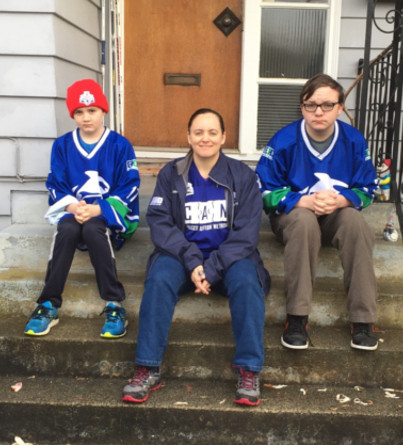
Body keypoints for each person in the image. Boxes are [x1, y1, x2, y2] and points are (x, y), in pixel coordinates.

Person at [122, 108, 270, 406]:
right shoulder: (171, 173)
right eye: (199, 132)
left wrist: (212, 268)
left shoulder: (242, 176)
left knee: (246, 282)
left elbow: (246, 233)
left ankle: (249, 369)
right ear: (188, 136)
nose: (206, 138)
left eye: (213, 132)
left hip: (229, 257)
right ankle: (147, 367)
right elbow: (160, 223)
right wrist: (192, 262)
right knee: (160, 278)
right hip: (181, 256)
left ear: (224, 137)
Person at [255, 74, 379, 351]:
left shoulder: (354, 140)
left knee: (356, 223)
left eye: (326, 104)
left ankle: (363, 319)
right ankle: (297, 318)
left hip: (336, 215)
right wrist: (304, 201)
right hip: (295, 216)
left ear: (339, 107)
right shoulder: (284, 139)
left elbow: (368, 188)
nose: (318, 112)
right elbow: (262, 189)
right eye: (311, 105)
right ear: (302, 108)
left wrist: (340, 201)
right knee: (303, 222)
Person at [24, 79, 140, 339]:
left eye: (92, 110)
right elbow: (56, 185)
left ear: (103, 111)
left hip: (105, 217)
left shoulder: (120, 145)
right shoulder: (63, 145)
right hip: (75, 212)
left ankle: (114, 304)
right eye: (79, 112)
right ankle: (48, 304)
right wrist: (73, 206)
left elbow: (130, 186)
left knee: (92, 228)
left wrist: (99, 210)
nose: (86, 118)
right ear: (73, 115)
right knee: (66, 227)